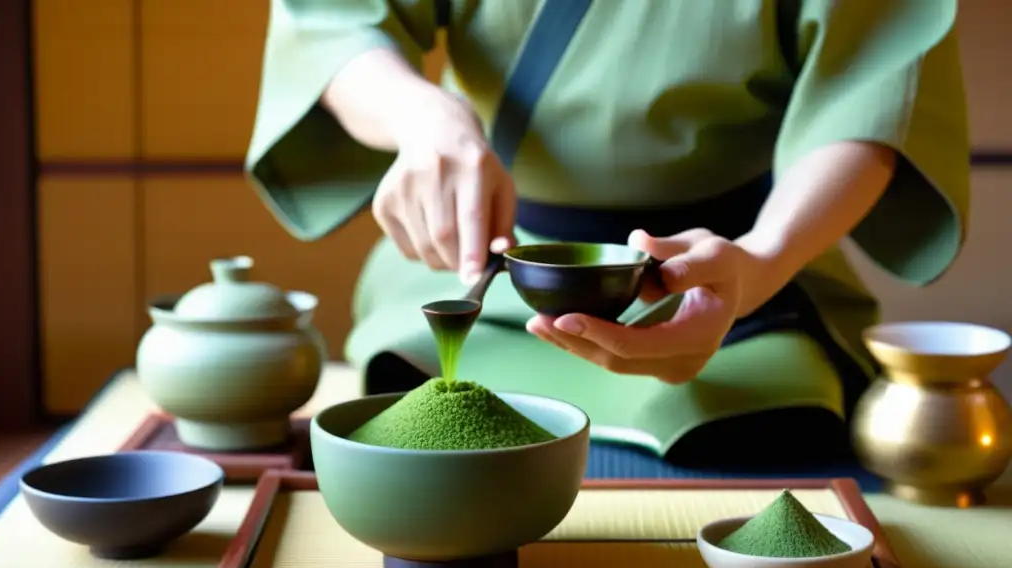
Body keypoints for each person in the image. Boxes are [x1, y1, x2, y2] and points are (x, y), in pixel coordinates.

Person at [245, 0, 969, 471]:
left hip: (723, 276)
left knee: (769, 423)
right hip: (486, 262)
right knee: (411, 406)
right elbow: (331, 20)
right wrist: (423, 119)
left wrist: (764, 259)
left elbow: (871, 86)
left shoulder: (745, 267)